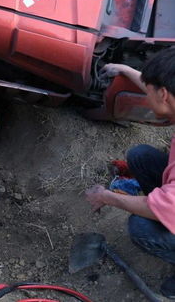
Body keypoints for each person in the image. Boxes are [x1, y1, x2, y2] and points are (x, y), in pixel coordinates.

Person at [85, 48, 175, 299]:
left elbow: (166, 207)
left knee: (141, 227)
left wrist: (106, 196)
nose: (147, 97)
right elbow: (157, 87)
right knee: (141, 156)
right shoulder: (170, 95)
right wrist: (125, 71)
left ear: (164, 95)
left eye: (150, 92)